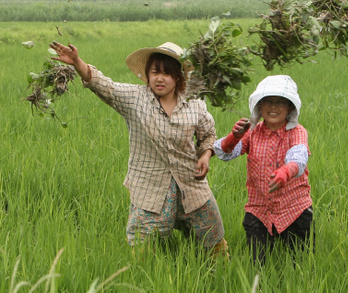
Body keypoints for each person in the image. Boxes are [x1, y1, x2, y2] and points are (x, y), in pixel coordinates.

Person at [49, 41, 228, 258]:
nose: (159, 78)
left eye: (167, 73)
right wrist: (78, 62)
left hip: (190, 183)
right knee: (143, 246)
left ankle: (216, 269)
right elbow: (104, 85)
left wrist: (206, 155)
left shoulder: (194, 104)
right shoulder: (135, 99)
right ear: (147, 75)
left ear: (178, 77)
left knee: (212, 235)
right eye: (154, 72)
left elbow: (208, 134)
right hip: (150, 186)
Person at [214, 75, 313, 264]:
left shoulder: (297, 131)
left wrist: (286, 172)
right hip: (259, 210)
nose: (273, 107)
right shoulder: (252, 131)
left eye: (280, 102)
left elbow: (299, 157)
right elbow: (224, 153)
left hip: (295, 210)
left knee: (300, 263)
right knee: (258, 264)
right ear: (258, 106)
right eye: (268, 101)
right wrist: (233, 137)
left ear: (290, 108)